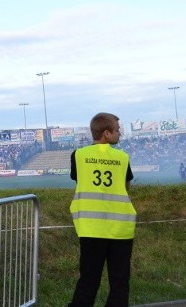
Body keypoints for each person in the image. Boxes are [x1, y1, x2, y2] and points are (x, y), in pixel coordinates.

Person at [68, 112, 136, 307]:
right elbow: (126, 186)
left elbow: (78, 179)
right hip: (120, 228)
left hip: (91, 228)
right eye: (117, 130)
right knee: (120, 282)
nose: (120, 133)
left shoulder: (79, 155)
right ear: (106, 133)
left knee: (88, 280)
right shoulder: (122, 157)